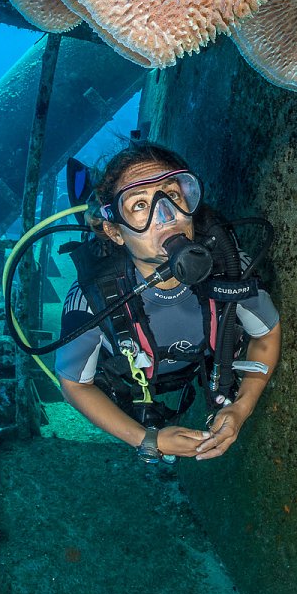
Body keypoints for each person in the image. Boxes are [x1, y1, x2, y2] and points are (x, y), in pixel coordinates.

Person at [55, 139, 281, 463]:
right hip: (134, 383)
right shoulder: (92, 300)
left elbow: (267, 333)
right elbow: (74, 385)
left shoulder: (229, 266)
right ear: (116, 233)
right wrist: (149, 439)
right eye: (139, 206)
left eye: (173, 195)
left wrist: (242, 408)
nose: (166, 217)